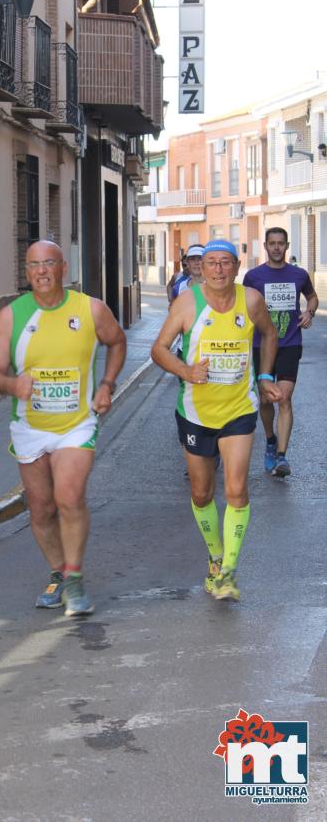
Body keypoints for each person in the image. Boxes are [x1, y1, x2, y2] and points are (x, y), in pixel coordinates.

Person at [0, 240, 126, 616]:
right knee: (42, 509)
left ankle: (75, 578)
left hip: (76, 425)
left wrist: (107, 384)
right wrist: (13, 386)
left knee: (68, 497)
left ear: (64, 268)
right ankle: (59, 572)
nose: (41, 271)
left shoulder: (90, 309)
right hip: (29, 427)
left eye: (49, 263)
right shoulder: (12, 316)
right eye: (33, 265)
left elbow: (117, 341)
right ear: (26, 272)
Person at [151, 240, 282, 602]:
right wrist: (186, 371)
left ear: (237, 266)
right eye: (211, 263)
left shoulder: (251, 300)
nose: (219, 269)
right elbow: (158, 349)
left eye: (225, 263)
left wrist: (266, 375)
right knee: (201, 492)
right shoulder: (187, 303)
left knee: (237, 490)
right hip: (195, 412)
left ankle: (228, 572)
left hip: (239, 409)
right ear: (202, 268)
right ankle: (214, 556)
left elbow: (270, 334)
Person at [242, 227, 318, 477]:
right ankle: (271, 440)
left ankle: (282, 458)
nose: (276, 247)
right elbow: (244, 307)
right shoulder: (253, 277)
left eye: (281, 243)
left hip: (290, 343)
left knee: (284, 398)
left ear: (287, 246)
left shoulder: (299, 274)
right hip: (261, 345)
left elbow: (312, 297)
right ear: (265, 246)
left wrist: (309, 312)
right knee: (265, 400)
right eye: (272, 243)